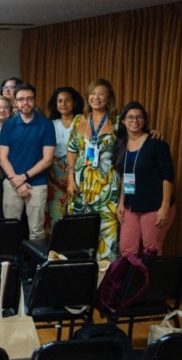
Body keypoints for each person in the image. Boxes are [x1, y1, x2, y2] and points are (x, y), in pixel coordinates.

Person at [66, 78, 120, 260]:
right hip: (80, 186)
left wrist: (153, 133)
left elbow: (137, 136)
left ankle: (104, 280)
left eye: (101, 93)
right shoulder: (77, 120)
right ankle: (81, 274)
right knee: (80, 231)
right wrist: (71, 180)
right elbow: (71, 152)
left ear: (109, 97)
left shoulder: (118, 122)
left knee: (106, 231)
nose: (96, 97)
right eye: (92, 93)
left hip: (107, 187)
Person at [114, 102, 175, 256]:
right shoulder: (120, 144)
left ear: (145, 120)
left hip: (155, 205)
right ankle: (131, 280)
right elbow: (124, 176)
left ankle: (152, 280)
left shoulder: (156, 143)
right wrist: (121, 203)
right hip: (131, 206)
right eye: (130, 117)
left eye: (139, 117)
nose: (135, 120)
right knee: (126, 249)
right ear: (123, 120)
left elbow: (168, 175)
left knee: (151, 250)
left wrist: (165, 206)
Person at [0, 83, 55, 241]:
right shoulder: (9, 125)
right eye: (21, 99)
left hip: (37, 184)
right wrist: (16, 181)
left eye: (30, 99)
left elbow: (48, 159)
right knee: (10, 229)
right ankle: (11, 265)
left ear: (35, 100)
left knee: (37, 232)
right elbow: (3, 158)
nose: (26, 103)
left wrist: (23, 177)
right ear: (15, 102)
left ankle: (35, 266)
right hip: (11, 183)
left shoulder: (46, 125)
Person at [45, 86, 84, 234]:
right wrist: (54, 177)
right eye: (60, 101)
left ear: (74, 103)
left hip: (78, 172)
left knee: (77, 216)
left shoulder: (83, 123)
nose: (63, 104)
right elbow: (44, 154)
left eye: (67, 100)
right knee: (57, 217)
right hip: (54, 174)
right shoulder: (49, 125)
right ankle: (56, 253)